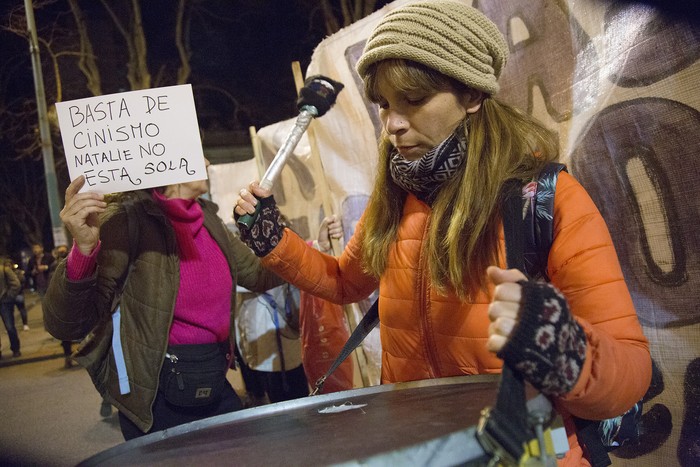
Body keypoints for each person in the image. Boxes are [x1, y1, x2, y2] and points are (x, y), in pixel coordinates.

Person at [233, 1, 652, 465]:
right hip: (416, 451)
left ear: (472, 96)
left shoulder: (547, 201)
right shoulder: (393, 199)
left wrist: (562, 347)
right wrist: (274, 241)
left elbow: (630, 374)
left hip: (525, 453)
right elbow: (343, 282)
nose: (392, 124)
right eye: (385, 104)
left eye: (413, 100)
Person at [42, 159, 284, 441]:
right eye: (196, 151)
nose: (204, 161)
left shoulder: (209, 220)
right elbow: (67, 325)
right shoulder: (126, 221)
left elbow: (259, 276)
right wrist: (83, 251)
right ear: (167, 162)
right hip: (156, 403)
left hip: (214, 382)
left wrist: (283, 238)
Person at [235, 215, 343, 406]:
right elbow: (285, 265)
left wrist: (320, 245)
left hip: (287, 352)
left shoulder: (276, 248)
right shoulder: (241, 259)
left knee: (296, 410)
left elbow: (297, 259)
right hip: (260, 354)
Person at [0, 256, 22, 358]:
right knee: (10, 327)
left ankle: (15, 349)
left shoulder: (4, 270)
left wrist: (9, 297)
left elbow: (16, 284)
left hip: (4, 302)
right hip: (5, 301)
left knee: (10, 327)